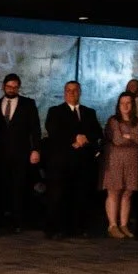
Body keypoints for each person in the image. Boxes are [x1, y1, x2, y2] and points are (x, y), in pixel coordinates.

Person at [43, 80, 102, 238]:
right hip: (62, 162)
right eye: (68, 90)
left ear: (80, 92)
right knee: (59, 196)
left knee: (80, 196)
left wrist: (86, 138)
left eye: (75, 90)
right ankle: (56, 229)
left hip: (83, 163)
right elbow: (53, 130)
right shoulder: (55, 111)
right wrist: (74, 138)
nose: (71, 93)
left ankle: (78, 228)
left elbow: (97, 132)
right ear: (64, 93)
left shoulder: (89, 112)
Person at [0, 73, 41, 233]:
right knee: (0, 187)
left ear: (19, 88)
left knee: (19, 187)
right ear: (3, 87)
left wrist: (35, 149)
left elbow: (35, 128)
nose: (12, 89)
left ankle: (18, 221)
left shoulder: (28, 104)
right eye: (9, 86)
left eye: (15, 87)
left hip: (21, 153)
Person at [100, 92, 138, 238]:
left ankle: (123, 224)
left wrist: (130, 136)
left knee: (128, 193)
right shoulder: (113, 121)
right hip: (115, 160)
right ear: (118, 105)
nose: (125, 106)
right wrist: (136, 138)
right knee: (114, 191)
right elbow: (117, 140)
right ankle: (112, 225)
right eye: (122, 103)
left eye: (128, 103)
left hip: (133, 161)